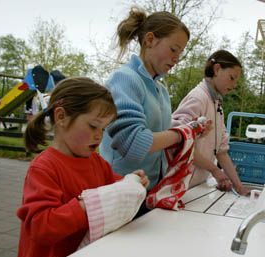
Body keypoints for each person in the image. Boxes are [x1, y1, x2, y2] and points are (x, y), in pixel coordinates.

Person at [17, 77, 149, 257]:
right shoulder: (43, 168)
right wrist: (89, 205)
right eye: (93, 126)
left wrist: (131, 182)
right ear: (61, 116)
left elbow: (114, 190)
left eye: (103, 129)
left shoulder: (97, 162)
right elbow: (40, 227)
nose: (99, 136)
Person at [99, 7, 191, 190]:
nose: (176, 59)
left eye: (180, 54)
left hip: (148, 189)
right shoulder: (125, 79)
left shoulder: (161, 90)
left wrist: (189, 127)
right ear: (150, 40)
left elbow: (156, 131)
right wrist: (183, 135)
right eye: (174, 49)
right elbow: (134, 144)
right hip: (118, 190)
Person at [172, 50, 250, 196]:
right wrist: (214, 169)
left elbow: (221, 151)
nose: (234, 86)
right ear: (217, 69)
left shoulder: (216, 104)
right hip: (181, 186)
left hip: (197, 186)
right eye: (232, 78)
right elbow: (179, 143)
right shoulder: (198, 98)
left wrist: (240, 187)